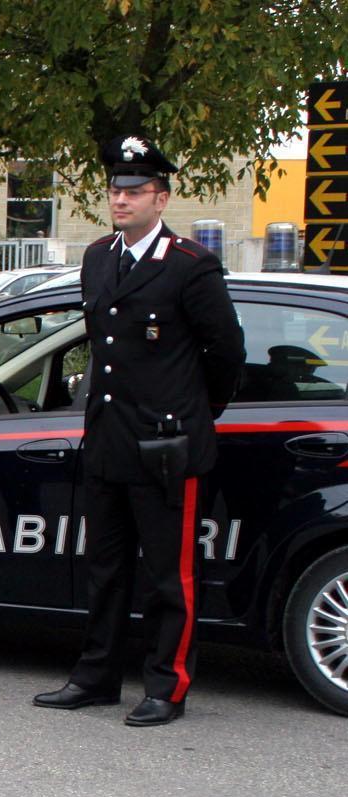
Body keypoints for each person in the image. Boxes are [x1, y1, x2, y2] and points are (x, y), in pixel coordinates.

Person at [34, 134, 245, 726]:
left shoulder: (189, 266)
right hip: (108, 438)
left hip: (165, 445)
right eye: (115, 190)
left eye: (134, 191)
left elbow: (226, 352)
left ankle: (166, 685)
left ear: (162, 197)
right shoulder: (100, 257)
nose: (121, 200)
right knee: (104, 567)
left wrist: (195, 412)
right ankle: (97, 676)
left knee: (168, 577)